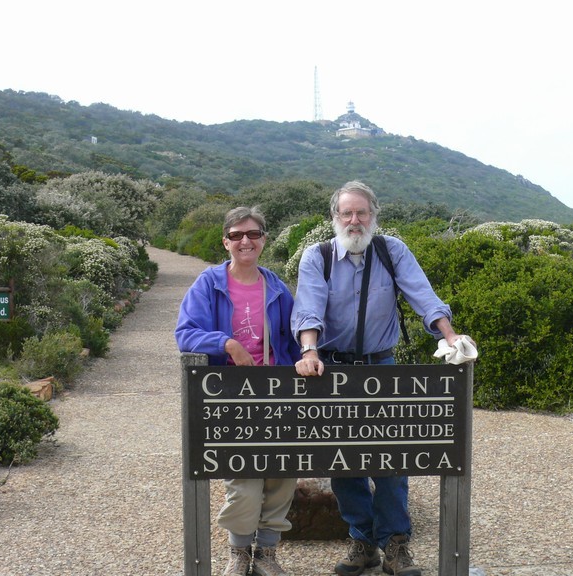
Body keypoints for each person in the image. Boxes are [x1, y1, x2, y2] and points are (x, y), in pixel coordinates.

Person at [291, 181, 472, 576]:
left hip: (381, 366)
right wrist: (309, 351)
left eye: (362, 213)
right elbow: (308, 308)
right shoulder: (316, 257)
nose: (354, 221)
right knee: (342, 463)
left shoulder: (393, 251)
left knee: (390, 459)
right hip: (333, 370)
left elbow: (422, 295)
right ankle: (362, 542)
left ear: (374, 215)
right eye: (346, 213)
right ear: (335, 218)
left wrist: (449, 335)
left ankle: (395, 544)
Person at [175, 206, 301, 576]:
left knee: (282, 472)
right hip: (230, 396)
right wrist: (227, 343)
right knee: (244, 477)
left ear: (264, 239)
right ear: (225, 241)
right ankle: (239, 551)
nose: (245, 241)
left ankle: (267, 553)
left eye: (253, 233)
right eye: (236, 235)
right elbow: (185, 333)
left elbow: (292, 341)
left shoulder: (276, 287)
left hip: (275, 393)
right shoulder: (208, 284)